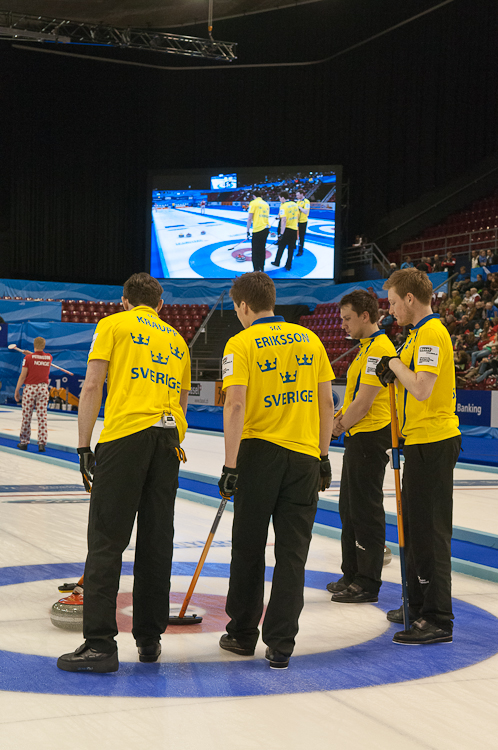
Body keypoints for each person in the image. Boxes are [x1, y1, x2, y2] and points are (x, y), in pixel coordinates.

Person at [57, 273, 191, 673]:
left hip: (126, 436)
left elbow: (93, 383)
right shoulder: (176, 339)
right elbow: (183, 399)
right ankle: (149, 640)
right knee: (156, 540)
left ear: (124, 300)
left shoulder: (113, 325)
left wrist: (84, 444)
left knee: (106, 540)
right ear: (160, 305)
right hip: (168, 442)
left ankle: (100, 644)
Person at [218, 271, 334, 669]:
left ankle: (243, 633)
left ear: (244, 305)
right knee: (293, 554)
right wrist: (323, 455)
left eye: (236, 308)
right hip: (304, 458)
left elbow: (234, 405)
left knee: (248, 547)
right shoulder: (311, 340)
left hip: (259, 454)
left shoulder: (241, 343)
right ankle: (281, 644)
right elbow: (326, 405)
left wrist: (230, 465)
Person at [376, 268, 461, 645]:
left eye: (393, 302)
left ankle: (438, 617)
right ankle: (419, 600)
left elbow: (422, 388)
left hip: (434, 441)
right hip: (419, 441)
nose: (391, 309)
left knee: (430, 532)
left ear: (410, 298)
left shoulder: (430, 333)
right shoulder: (416, 335)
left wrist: (393, 364)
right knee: (415, 528)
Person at [327, 291, 396, 603]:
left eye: (347, 319)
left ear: (366, 316)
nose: (343, 325)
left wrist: (337, 425)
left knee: (365, 509)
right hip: (359, 434)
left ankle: (368, 582)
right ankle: (351, 573)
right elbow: (356, 397)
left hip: (371, 435)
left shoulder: (380, 349)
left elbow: (365, 403)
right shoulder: (366, 348)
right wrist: (341, 421)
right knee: (349, 508)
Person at [14, 337, 53, 452]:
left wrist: (17, 390)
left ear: (33, 345)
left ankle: (24, 442)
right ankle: (42, 443)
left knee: (27, 416)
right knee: (42, 417)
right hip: (43, 389)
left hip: (30, 389)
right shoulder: (49, 358)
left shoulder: (28, 358)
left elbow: (23, 375)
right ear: (44, 346)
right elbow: (40, 357)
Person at [271, 192, 299, 271]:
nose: (279, 199)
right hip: (294, 229)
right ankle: (288, 265)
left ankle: (277, 262)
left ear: (283, 197)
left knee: (281, 247)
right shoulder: (295, 204)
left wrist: (281, 233)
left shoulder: (283, 206)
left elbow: (283, 220)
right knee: (291, 248)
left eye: (279, 198)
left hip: (286, 229)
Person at [247, 191, 270, 272]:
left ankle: (256, 269)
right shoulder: (266, 204)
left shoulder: (253, 203)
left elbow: (249, 218)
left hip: (258, 229)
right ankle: (262, 267)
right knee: (262, 249)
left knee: (255, 250)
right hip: (266, 228)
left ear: (254, 196)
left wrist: (247, 230)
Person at [295, 190, 310, 256]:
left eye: (298, 195)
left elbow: (306, 211)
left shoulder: (306, 201)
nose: (297, 196)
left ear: (302, 194)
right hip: (296, 221)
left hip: (303, 221)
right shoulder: (298, 201)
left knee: (301, 236)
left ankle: (300, 250)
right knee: (295, 235)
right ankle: (294, 246)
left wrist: (299, 207)